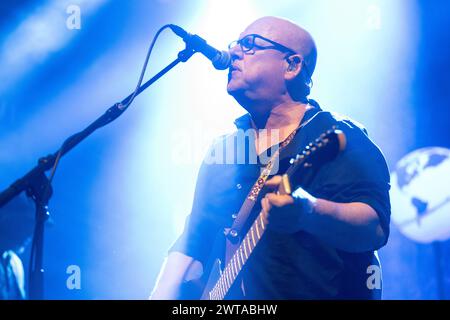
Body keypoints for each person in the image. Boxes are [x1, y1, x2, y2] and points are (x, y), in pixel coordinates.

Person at [150, 16, 390, 300]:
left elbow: (374, 228)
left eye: (250, 45)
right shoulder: (224, 150)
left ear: (292, 65)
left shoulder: (336, 135)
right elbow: (193, 243)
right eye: (236, 44)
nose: (236, 51)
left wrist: (307, 211)